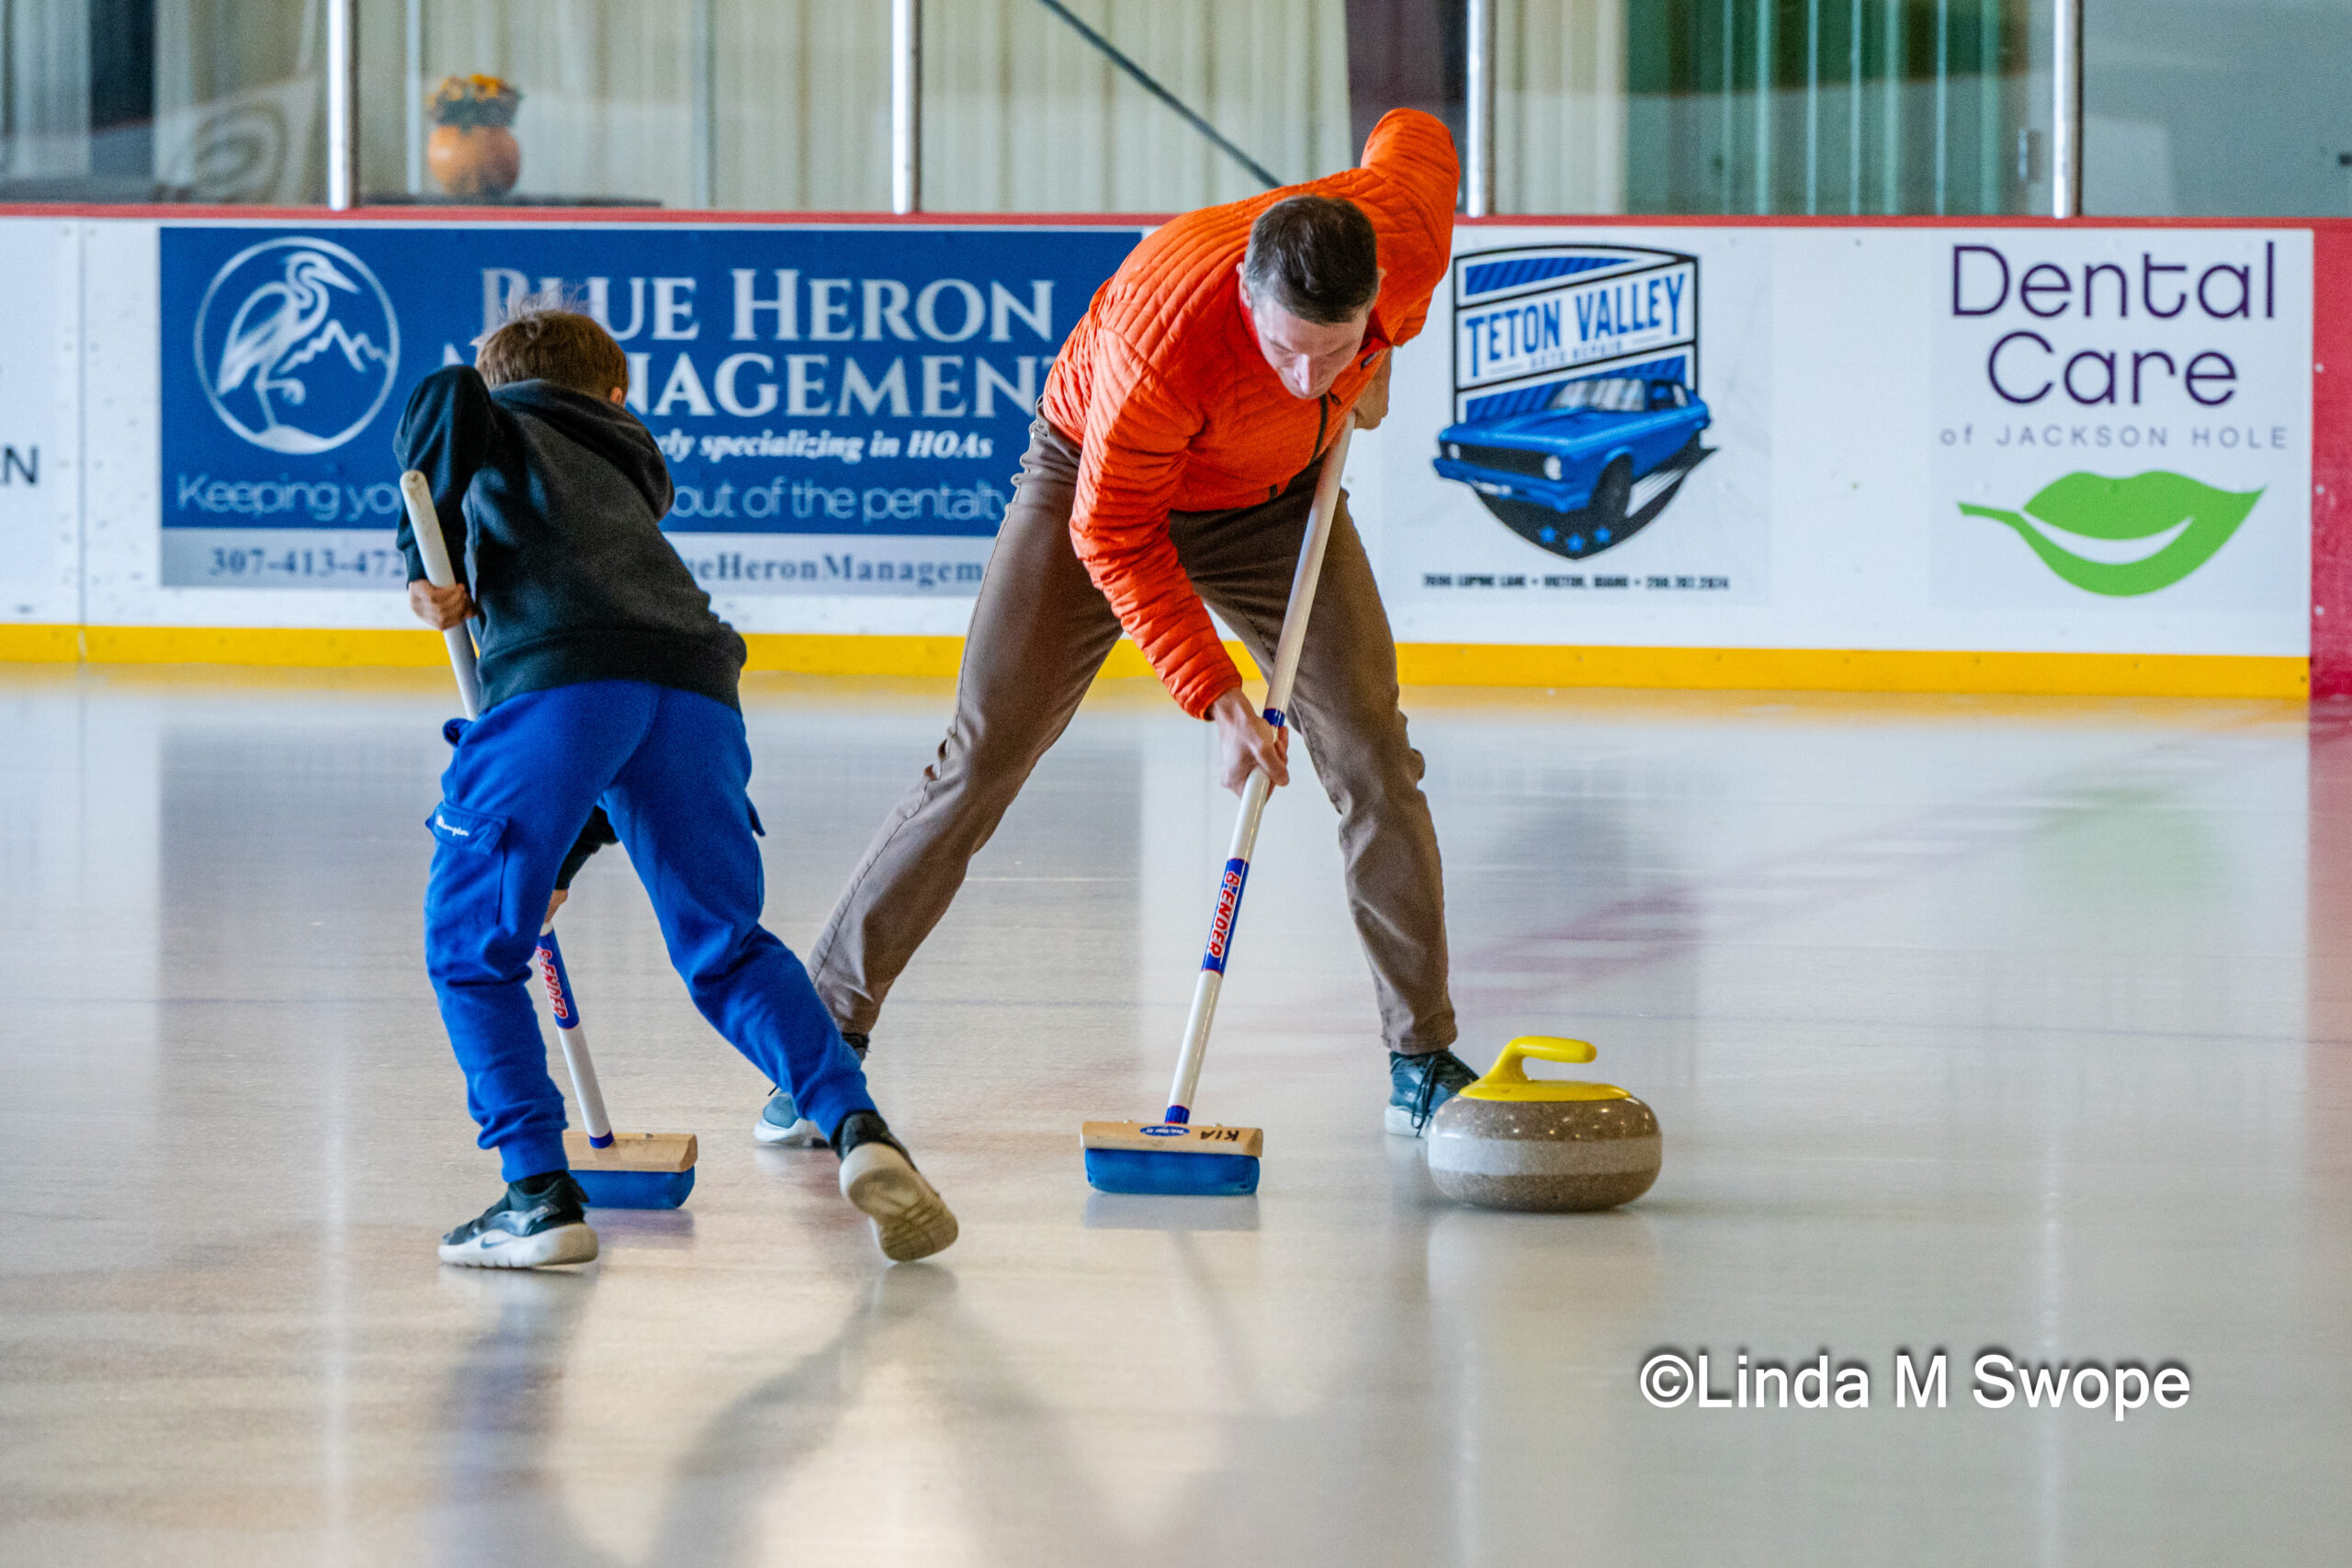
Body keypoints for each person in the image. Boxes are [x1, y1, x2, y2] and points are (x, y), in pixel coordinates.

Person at [758, 108, 1479, 1145]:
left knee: (1372, 751)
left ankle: (1421, 1058)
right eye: (1287, 351)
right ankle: (820, 1035)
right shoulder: (1164, 331)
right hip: (1092, 487)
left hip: (1274, 503)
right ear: (1247, 298)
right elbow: (1118, 535)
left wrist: (1381, 358)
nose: (1307, 379)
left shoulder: (1402, 235)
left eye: (1334, 351)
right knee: (984, 751)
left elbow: (1414, 131)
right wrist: (1218, 697)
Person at [401, 304, 956, 1268]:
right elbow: (624, 729)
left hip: (559, 683)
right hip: (694, 688)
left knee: (469, 949)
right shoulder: (624, 465)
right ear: (617, 398)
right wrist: (560, 856)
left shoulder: (492, 416)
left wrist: (425, 562)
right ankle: (857, 1126)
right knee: (728, 947)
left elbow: (444, 391)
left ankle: (536, 1196)